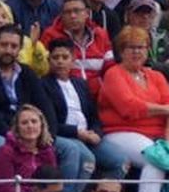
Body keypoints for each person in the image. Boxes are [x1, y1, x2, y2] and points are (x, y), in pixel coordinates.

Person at [0, 25, 87, 191]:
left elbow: (45, 106)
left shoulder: (27, 73)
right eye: (4, 45)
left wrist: (46, 133)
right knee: (5, 147)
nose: (8, 50)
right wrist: (20, 136)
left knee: (71, 149)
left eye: (14, 46)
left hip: (30, 131)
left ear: (20, 49)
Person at [96, 26, 169, 192]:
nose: (136, 51)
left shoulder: (156, 75)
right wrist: (166, 110)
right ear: (121, 51)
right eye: (131, 47)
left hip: (158, 133)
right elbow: (129, 107)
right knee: (154, 157)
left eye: (141, 47)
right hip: (122, 131)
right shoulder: (114, 74)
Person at [42, 39, 121, 182]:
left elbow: (94, 115)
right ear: (48, 60)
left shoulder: (81, 84)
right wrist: (78, 133)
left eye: (65, 57)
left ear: (73, 60)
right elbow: (49, 123)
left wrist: (97, 132)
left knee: (120, 160)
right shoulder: (43, 85)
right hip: (66, 135)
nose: (60, 62)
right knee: (87, 159)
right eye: (55, 57)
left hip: (89, 134)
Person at [0, 104, 57, 192]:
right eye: (24, 123)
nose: (30, 126)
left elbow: (53, 181)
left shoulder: (47, 151)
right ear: (17, 128)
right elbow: (5, 189)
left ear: (41, 125)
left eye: (34, 121)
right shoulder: (6, 152)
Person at [40, 0, 111, 97]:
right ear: (61, 15)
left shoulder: (100, 34)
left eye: (77, 11)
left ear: (86, 13)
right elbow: (44, 68)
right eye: (67, 12)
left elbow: (110, 67)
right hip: (65, 94)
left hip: (99, 94)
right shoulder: (50, 35)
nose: (73, 16)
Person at [0, 0, 47, 77]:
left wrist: (34, 46)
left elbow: (42, 71)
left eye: (4, 17)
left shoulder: (27, 41)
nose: (1, 21)